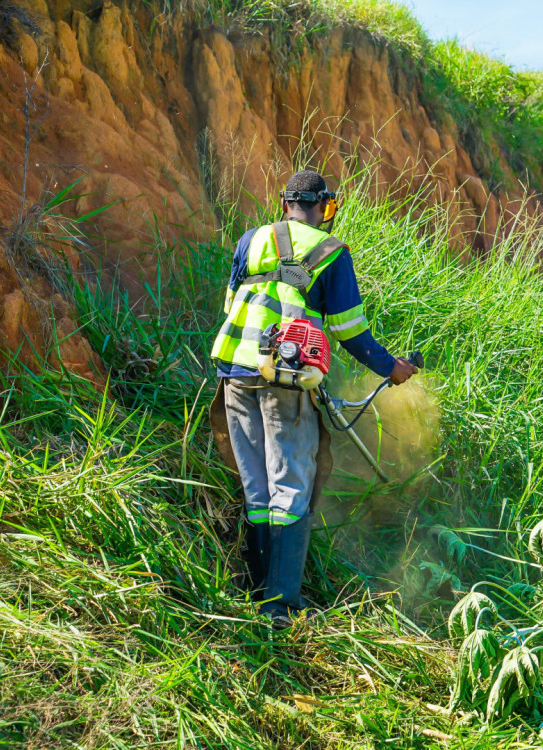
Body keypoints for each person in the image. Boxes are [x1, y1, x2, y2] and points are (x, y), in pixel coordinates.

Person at [210, 170, 417, 627]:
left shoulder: (250, 240)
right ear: (325, 206)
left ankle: (256, 591)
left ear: (285, 203)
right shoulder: (331, 252)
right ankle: (279, 607)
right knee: (290, 486)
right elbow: (349, 332)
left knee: (257, 487)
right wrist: (392, 368)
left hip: (235, 374)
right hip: (285, 381)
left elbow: (232, 306)